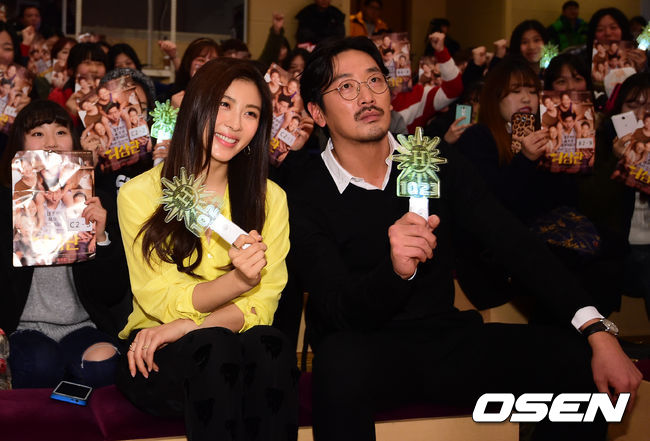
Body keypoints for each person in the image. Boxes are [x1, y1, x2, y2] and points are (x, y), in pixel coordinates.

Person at [291, 36, 641, 441]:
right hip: (363, 348)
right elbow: (337, 308)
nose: (367, 96)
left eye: (374, 80)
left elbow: (512, 241)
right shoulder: (304, 189)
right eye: (346, 87)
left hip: (444, 339)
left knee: (577, 357)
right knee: (338, 363)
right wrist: (394, 272)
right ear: (317, 112)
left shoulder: (432, 158)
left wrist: (594, 326)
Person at [115, 58, 297, 440]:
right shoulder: (139, 194)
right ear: (197, 104)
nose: (234, 124)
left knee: (271, 343)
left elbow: (263, 302)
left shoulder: (271, 199)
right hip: (159, 351)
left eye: (250, 113)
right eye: (224, 104)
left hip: (236, 344)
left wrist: (194, 325)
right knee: (215, 346)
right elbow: (160, 297)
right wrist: (239, 282)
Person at [0, 99, 130, 388]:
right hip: (24, 329)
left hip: (82, 326)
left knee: (104, 366)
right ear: (19, 144)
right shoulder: (5, 204)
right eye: (38, 133)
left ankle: (71, 374)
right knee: (41, 364)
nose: (51, 142)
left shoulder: (97, 202)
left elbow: (113, 292)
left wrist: (101, 238)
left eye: (60, 132)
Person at [584, 73, 650, 320]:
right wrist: (616, 161)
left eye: (649, 107)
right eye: (632, 105)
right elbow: (593, 204)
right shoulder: (600, 142)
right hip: (617, 250)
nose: (641, 115)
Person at [166, 37, 219, 108]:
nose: (206, 65)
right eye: (201, 60)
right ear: (188, 64)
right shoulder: (174, 96)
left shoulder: (223, 97)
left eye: (212, 61)